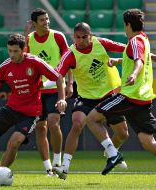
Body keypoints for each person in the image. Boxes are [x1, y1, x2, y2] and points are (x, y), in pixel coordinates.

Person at [86, 9, 156, 187]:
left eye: (124, 25)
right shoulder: (144, 39)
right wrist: (117, 61)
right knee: (147, 142)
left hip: (129, 96)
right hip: (143, 100)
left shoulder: (134, 40)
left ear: (127, 24)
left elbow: (138, 62)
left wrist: (133, 74)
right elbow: (137, 56)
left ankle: (113, 154)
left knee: (92, 119)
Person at [0, 33, 67, 177]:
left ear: (24, 50)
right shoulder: (5, 66)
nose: (12, 54)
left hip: (31, 113)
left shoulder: (35, 62)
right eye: (9, 50)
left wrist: (61, 98)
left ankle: (0, 173)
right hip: (11, 108)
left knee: (14, 143)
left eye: (16, 51)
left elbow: (58, 77)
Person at [52, 22, 132, 180]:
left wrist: (146, 55)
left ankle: (111, 152)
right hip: (86, 98)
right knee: (77, 123)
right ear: (73, 37)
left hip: (108, 95)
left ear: (91, 36)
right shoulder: (70, 54)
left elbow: (127, 49)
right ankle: (65, 167)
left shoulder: (101, 43)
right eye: (77, 37)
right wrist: (60, 97)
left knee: (123, 134)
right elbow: (57, 73)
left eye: (84, 37)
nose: (80, 40)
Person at [24, 8, 73, 176]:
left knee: (53, 123)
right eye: (43, 20)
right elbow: (22, 59)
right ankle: (48, 169)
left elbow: (69, 59)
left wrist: (70, 83)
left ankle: (57, 162)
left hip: (55, 88)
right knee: (40, 128)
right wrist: (25, 34)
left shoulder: (58, 36)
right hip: (38, 90)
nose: (46, 22)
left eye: (47, 19)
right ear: (34, 23)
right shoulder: (29, 39)